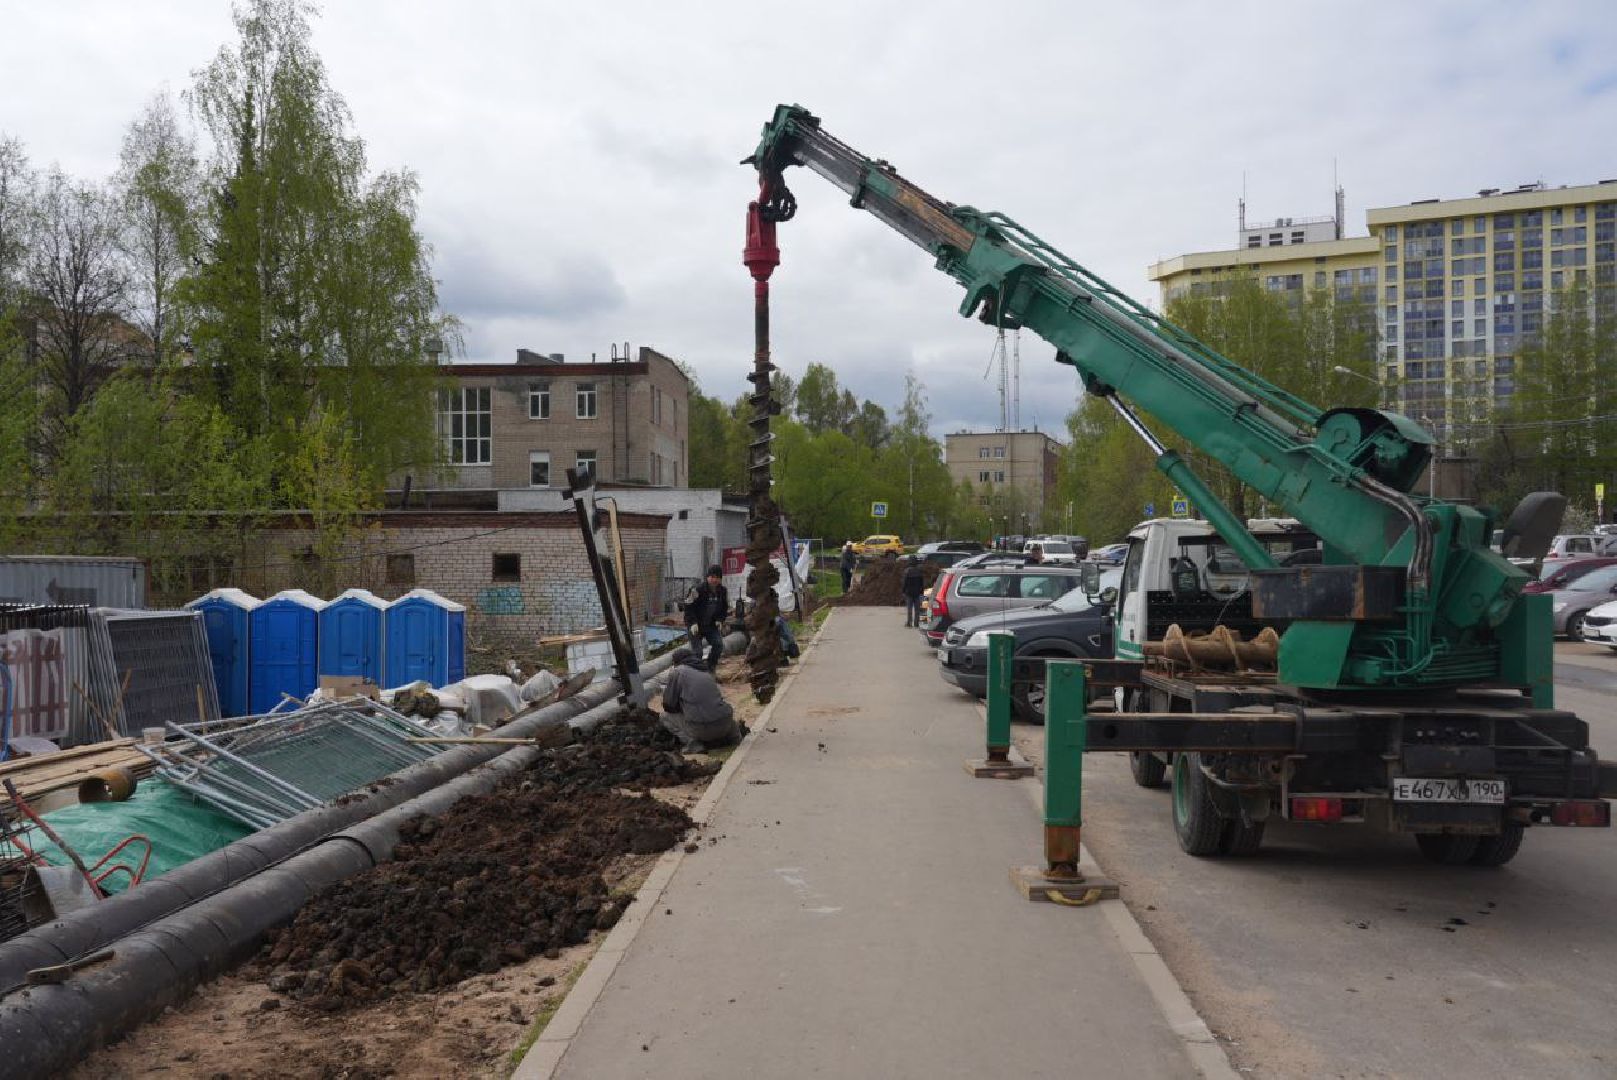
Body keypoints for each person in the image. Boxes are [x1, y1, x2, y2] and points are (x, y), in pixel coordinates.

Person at [660, 647, 739, 753]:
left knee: (664, 716)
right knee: (718, 708)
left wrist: (682, 707)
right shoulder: (706, 670)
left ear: (676, 662)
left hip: (702, 730)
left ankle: (693, 744)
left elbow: (668, 704)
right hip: (726, 725)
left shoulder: (679, 671)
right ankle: (735, 738)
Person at [683, 565, 729, 672]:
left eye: (717, 577)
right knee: (697, 652)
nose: (714, 579)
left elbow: (724, 608)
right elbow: (688, 607)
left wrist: (720, 620)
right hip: (696, 626)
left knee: (718, 645)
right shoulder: (696, 590)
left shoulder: (722, 592)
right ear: (707, 577)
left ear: (720, 579)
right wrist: (693, 623)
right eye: (711, 577)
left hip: (711, 625)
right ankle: (696, 672)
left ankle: (710, 666)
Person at [901, 555, 925, 627]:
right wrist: (921, 591)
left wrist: (903, 591)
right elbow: (921, 583)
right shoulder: (919, 571)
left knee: (909, 609)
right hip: (917, 592)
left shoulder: (907, 571)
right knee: (917, 609)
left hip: (909, 592)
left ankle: (909, 623)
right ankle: (916, 623)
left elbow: (904, 583)